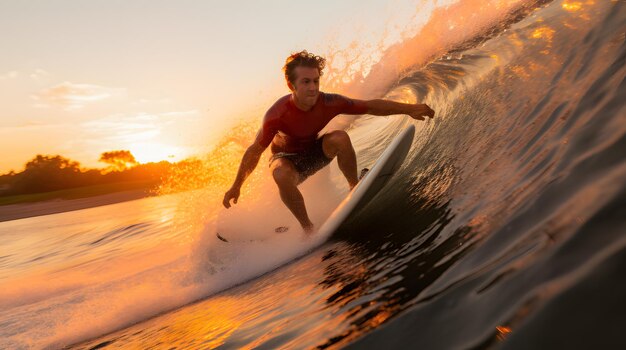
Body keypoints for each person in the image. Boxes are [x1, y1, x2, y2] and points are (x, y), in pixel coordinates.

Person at [223, 50, 434, 233]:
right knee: (279, 172)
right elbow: (254, 152)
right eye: (306, 82)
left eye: (316, 80)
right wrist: (236, 186)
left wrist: (409, 109)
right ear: (291, 85)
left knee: (340, 137)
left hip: (313, 153)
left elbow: (369, 106)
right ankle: (307, 228)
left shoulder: (329, 102)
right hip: (286, 161)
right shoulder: (276, 115)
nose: (313, 87)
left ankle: (354, 185)